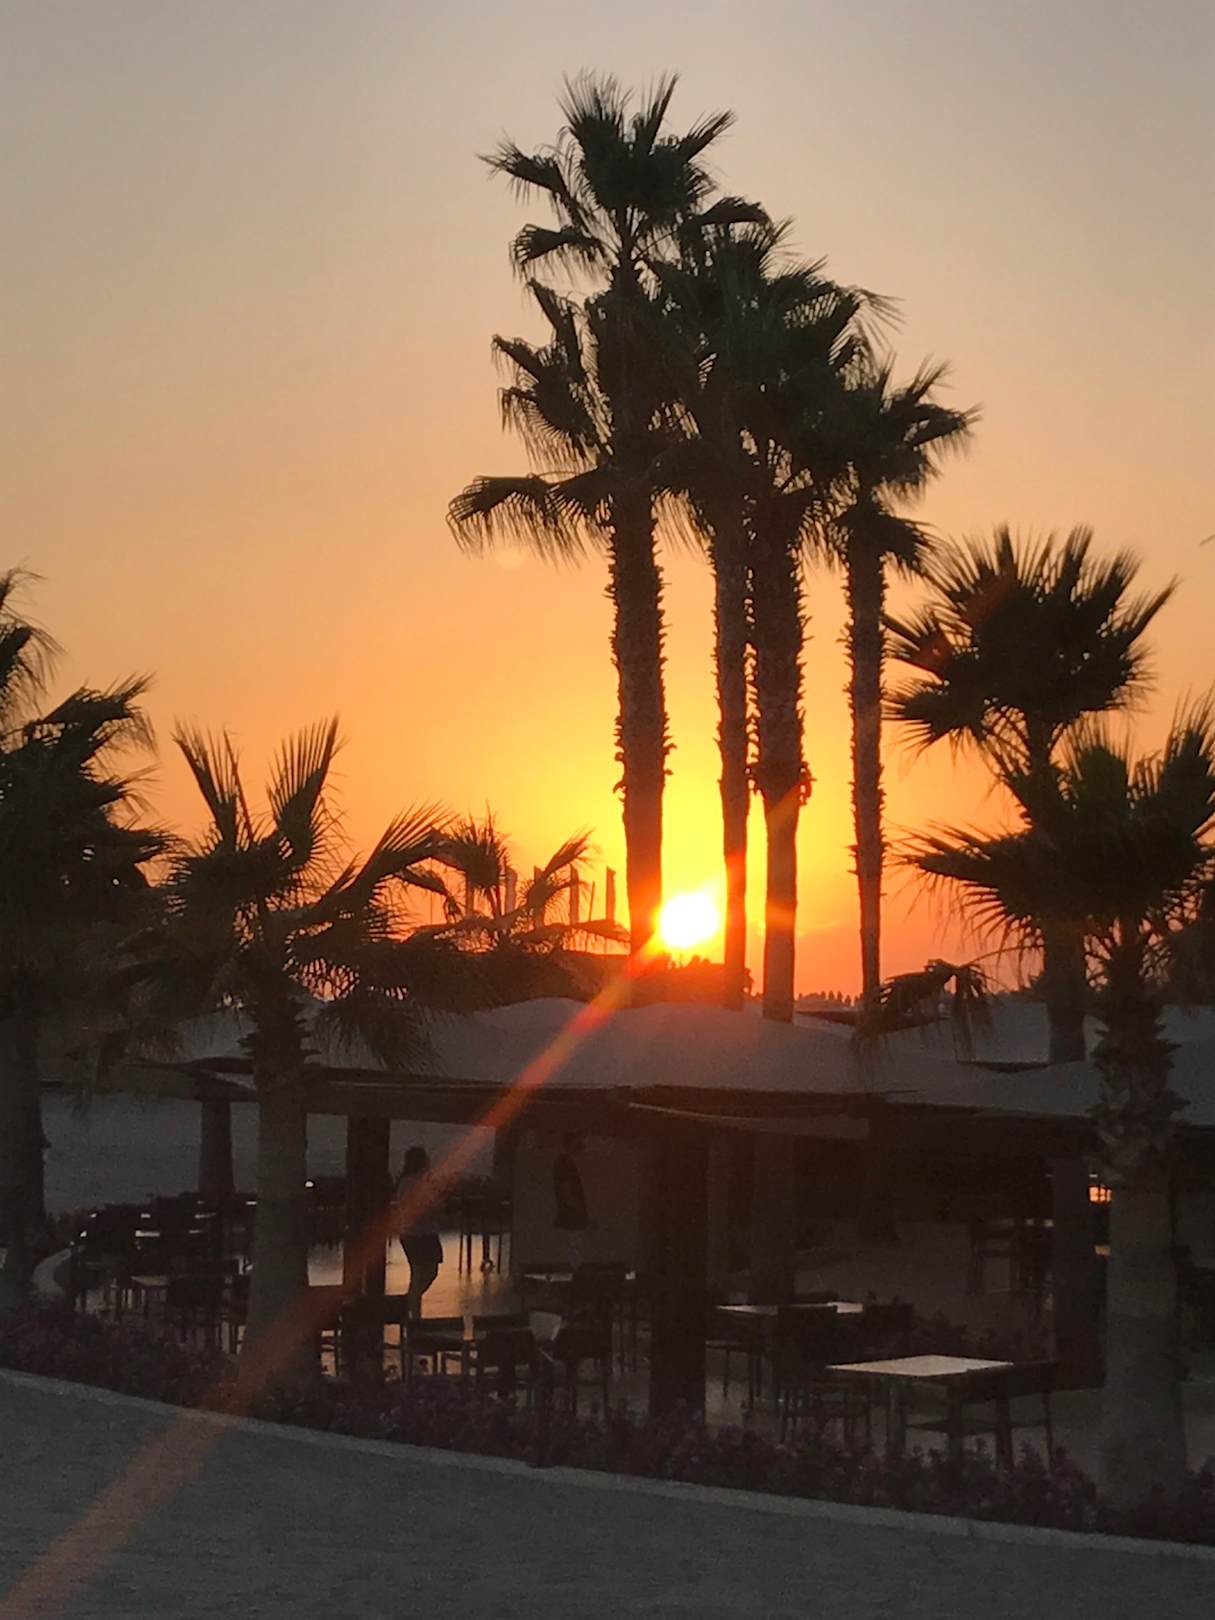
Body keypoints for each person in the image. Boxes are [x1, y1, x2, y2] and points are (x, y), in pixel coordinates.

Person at [396, 1145, 444, 1318]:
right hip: (419, 1233)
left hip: (417, 1232)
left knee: (422, 1273)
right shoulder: (412, 1183)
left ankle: (410, 1306)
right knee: (423, 1273)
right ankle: (412, 1308)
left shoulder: (410, 1182)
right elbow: (424, 1205)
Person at [552, 1133, 590, 1268]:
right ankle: (574, 1270)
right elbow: (566, 1188)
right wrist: (576, 1207)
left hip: (570, 1214)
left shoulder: (563, 1162)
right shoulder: (565, 1164)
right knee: (574, 1247)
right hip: (572, 1216)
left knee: (573, 1246)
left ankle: (574, 1269)